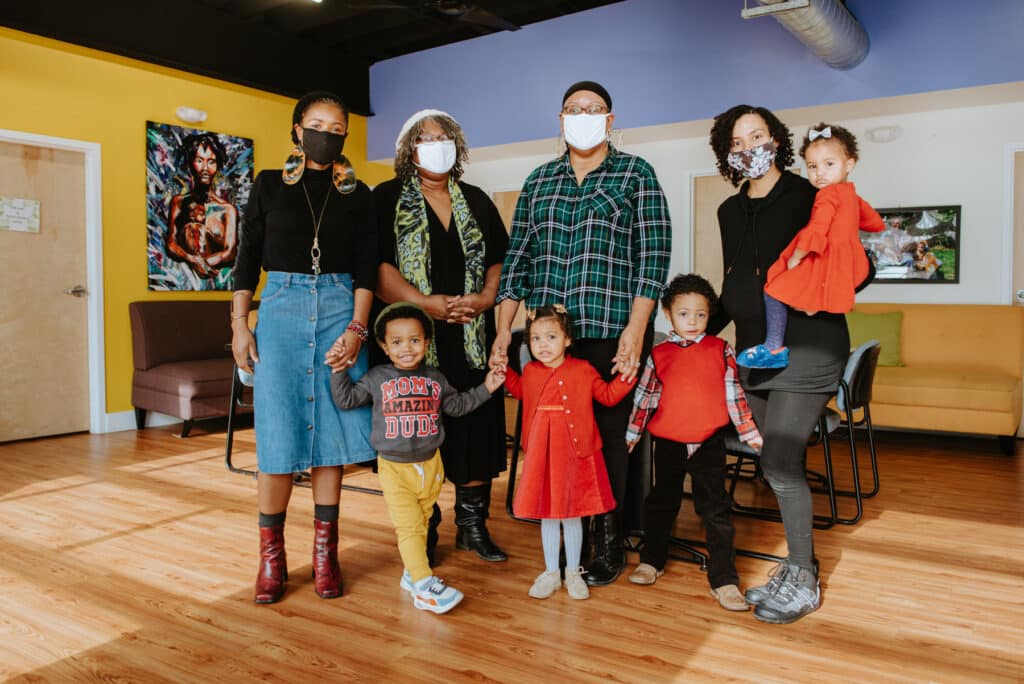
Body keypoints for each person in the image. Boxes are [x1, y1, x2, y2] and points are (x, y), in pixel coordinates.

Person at [493, 81, 672, 586]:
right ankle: (561, 529)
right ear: (561, 118)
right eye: (575, 109)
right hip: (546, 341)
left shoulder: (635, 174)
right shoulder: (539, 181)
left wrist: (637, 331)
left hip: (610, 332)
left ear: (610, 120)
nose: (584, 116)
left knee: (608, 441)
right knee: (553, 436)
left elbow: (651, 259)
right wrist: (504, 332)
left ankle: (607, 540)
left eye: (594, 110)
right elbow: (517, 264)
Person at [708, 104, 853, 623]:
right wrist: (693, 330)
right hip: (755, 353)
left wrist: (819, 290)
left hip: (809, 348)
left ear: (777, 140)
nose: (749, 147)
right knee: (774, 463)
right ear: (727, 152)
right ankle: (798, 566)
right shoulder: (728, 210)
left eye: (758, 135)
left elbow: (860, 265)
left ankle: (804, 579)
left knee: (780, 464)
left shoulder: (809, 194)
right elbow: (736, 285)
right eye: (738, 140)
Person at [231, 91, 376, 605]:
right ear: (297, 130)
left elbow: (366, 266)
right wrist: (239, 324)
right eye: (316, 124)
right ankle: (271, 557)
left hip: (339, 307)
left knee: (330, 434)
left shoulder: (360, 196)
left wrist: (357, 329)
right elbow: (248, 258)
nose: (326, 133)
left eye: (337, 128)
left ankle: (325, 555)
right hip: (282, 308)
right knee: (276, 431)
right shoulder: (268, 185)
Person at [373, 109, 509, 565]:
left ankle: (472, 526)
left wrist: (487, 297)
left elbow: (498, 259)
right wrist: (423, 304)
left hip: (471, 334)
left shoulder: (477, 199)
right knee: (420, 433)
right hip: (416, 339)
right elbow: (377, 269)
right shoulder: (387, 197)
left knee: (475, 428)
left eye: (444, 136)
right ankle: (424, 527)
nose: (437, 144)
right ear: (409, 149)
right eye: (426, 138)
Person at [330, 303, 504, 614]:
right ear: (384, 346)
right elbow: (346, 400)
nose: (406, 348)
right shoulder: (377, 378)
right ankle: (424, 586)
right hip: (395, 468)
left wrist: (488, 387)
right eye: (396, 342)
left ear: (426, 342)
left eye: (414, 340)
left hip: (431, 464)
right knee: (409, 526)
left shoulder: (435, 378)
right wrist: (339, 368)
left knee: (423, 521)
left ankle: (412, 573)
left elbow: (458, 406)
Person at [624, 274, 762, 611]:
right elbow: (645, 399)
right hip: (668, 440)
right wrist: (631, 434)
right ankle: (651, 560)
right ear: (669, 314)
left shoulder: (720, 350)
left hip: (708, 441)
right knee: (661, 502)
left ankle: (724, 579)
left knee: (715, 509)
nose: (693, 321)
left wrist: (748, 433)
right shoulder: (658, 354)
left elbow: (734, 395)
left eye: (701, 314)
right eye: (684, 314)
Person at [502, 306, 637, 600]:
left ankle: (574, 572)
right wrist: (501, 368)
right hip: (543, 454)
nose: (543, 345)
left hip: (575, 454)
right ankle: (552, 572)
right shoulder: (531, 372)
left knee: (573, 514)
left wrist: (628, 375)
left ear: (567, 340)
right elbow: (519, 389)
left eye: (551, 337)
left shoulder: (582, 370)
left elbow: (608, 396)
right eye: (535, 339)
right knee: (549, 515)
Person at [736, 123, 885, 369]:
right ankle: (812, 305)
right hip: (847, 258)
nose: (819, 174)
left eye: (829, 164)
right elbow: (874, 221)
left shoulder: (826, 195)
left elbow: (818, 228)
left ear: (849, 164)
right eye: (813, 167)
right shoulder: (851, 194)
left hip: (824, 254)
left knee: (773, 290)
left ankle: (773, 346)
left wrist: (798, 255)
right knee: (815, 292)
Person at [167, 132, 239, 279]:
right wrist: (193, 259)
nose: (205, 168)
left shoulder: (227, 209)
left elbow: (230, 252)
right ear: (191, 163)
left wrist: (204, 263)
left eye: (211, 161)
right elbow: (171, 243)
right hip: (186, 279)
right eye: (199, 160)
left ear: (218, 165)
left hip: (219, 280)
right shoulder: (179, 202)